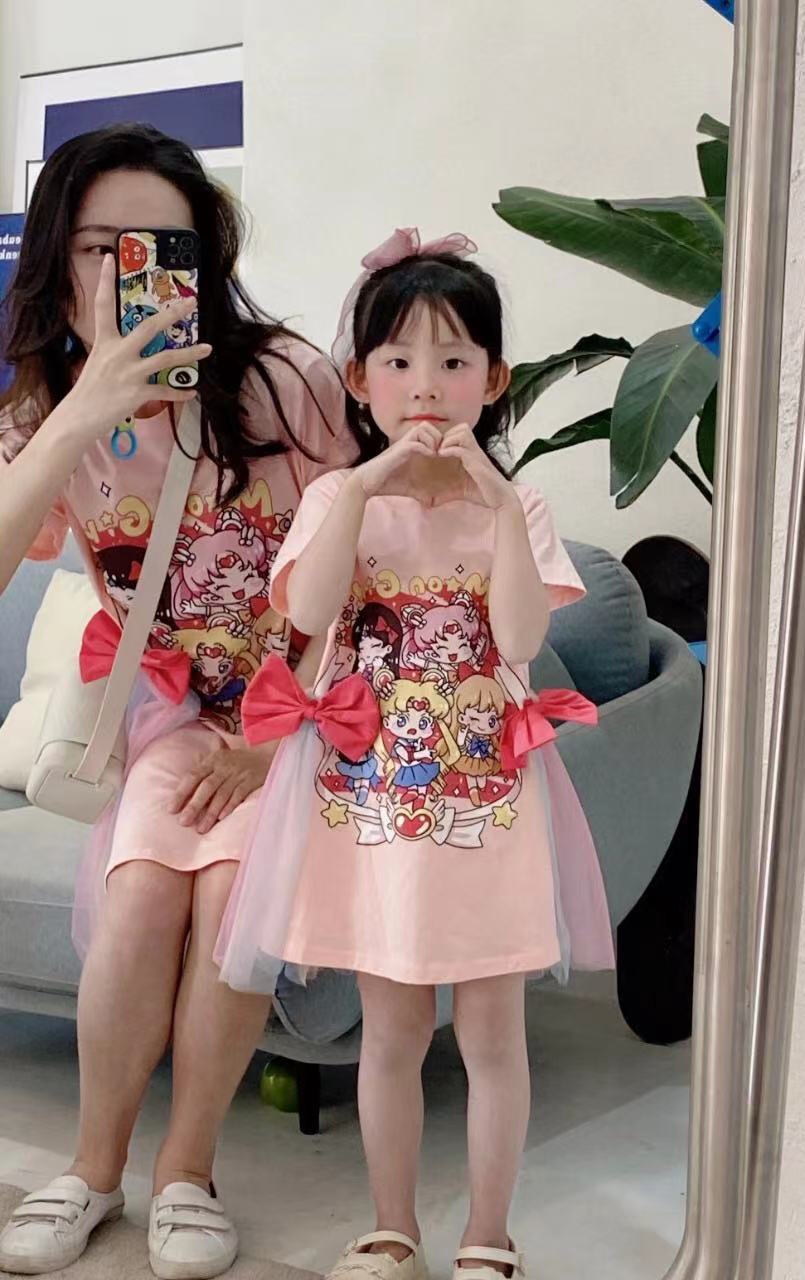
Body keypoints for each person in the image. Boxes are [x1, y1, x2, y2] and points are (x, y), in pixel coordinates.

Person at [215, 229, 616, 1280]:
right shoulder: (333, 498)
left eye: (452, 360)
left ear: (494, 378)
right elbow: (309, 613)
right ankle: (391, 1228)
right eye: (397, 360)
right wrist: (362, 489)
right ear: (360, 380)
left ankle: (490, 1235)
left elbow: (518, 639)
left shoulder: (518, 506)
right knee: (390, 1029)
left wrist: (493, 499)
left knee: (491, 1031)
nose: (425, 385)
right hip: (374, 798)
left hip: (487, 793)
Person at [0, 124, 355, 1280]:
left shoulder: (284, 380)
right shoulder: (44, 411)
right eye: (99, 246)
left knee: (228, 887)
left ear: (206, 256)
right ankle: (91, 1170)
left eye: (162, 246)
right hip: (169, 716)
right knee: (143, 891)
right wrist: (79, 408)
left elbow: (358, 570)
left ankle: (188, 1171)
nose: (130, 274)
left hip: (299, 713)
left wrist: (275, 734)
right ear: (56, 261)